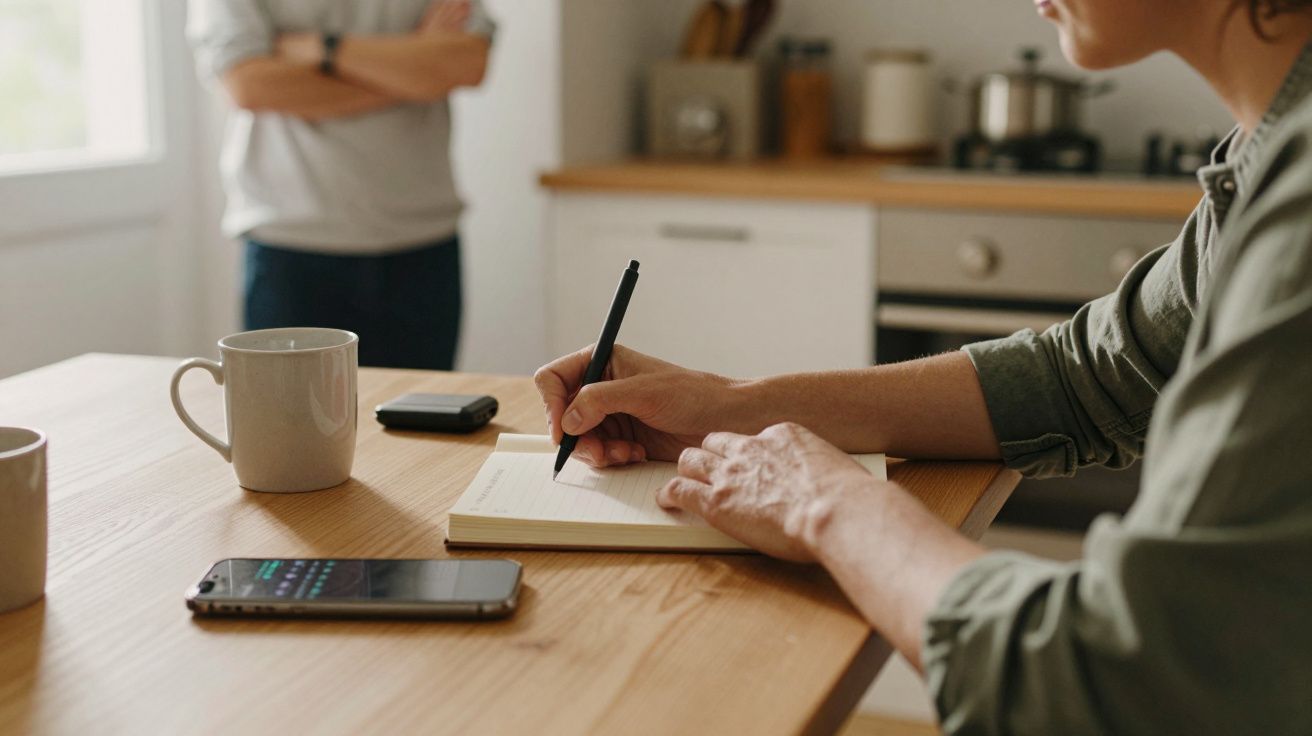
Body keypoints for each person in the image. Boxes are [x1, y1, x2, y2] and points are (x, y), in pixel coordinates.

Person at [536, 1, 1312, 733]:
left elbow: (1109, 681)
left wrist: (830, 504)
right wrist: (729, 404)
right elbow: (1088, 375)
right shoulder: (1271, 146)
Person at [187, 0, 494, 370]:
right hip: (291, 246)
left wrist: (325, 48)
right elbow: (249, 85)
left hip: (422, 244)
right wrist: (412, 70)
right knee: (289, 423)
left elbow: (466, 63)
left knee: (423, 424)